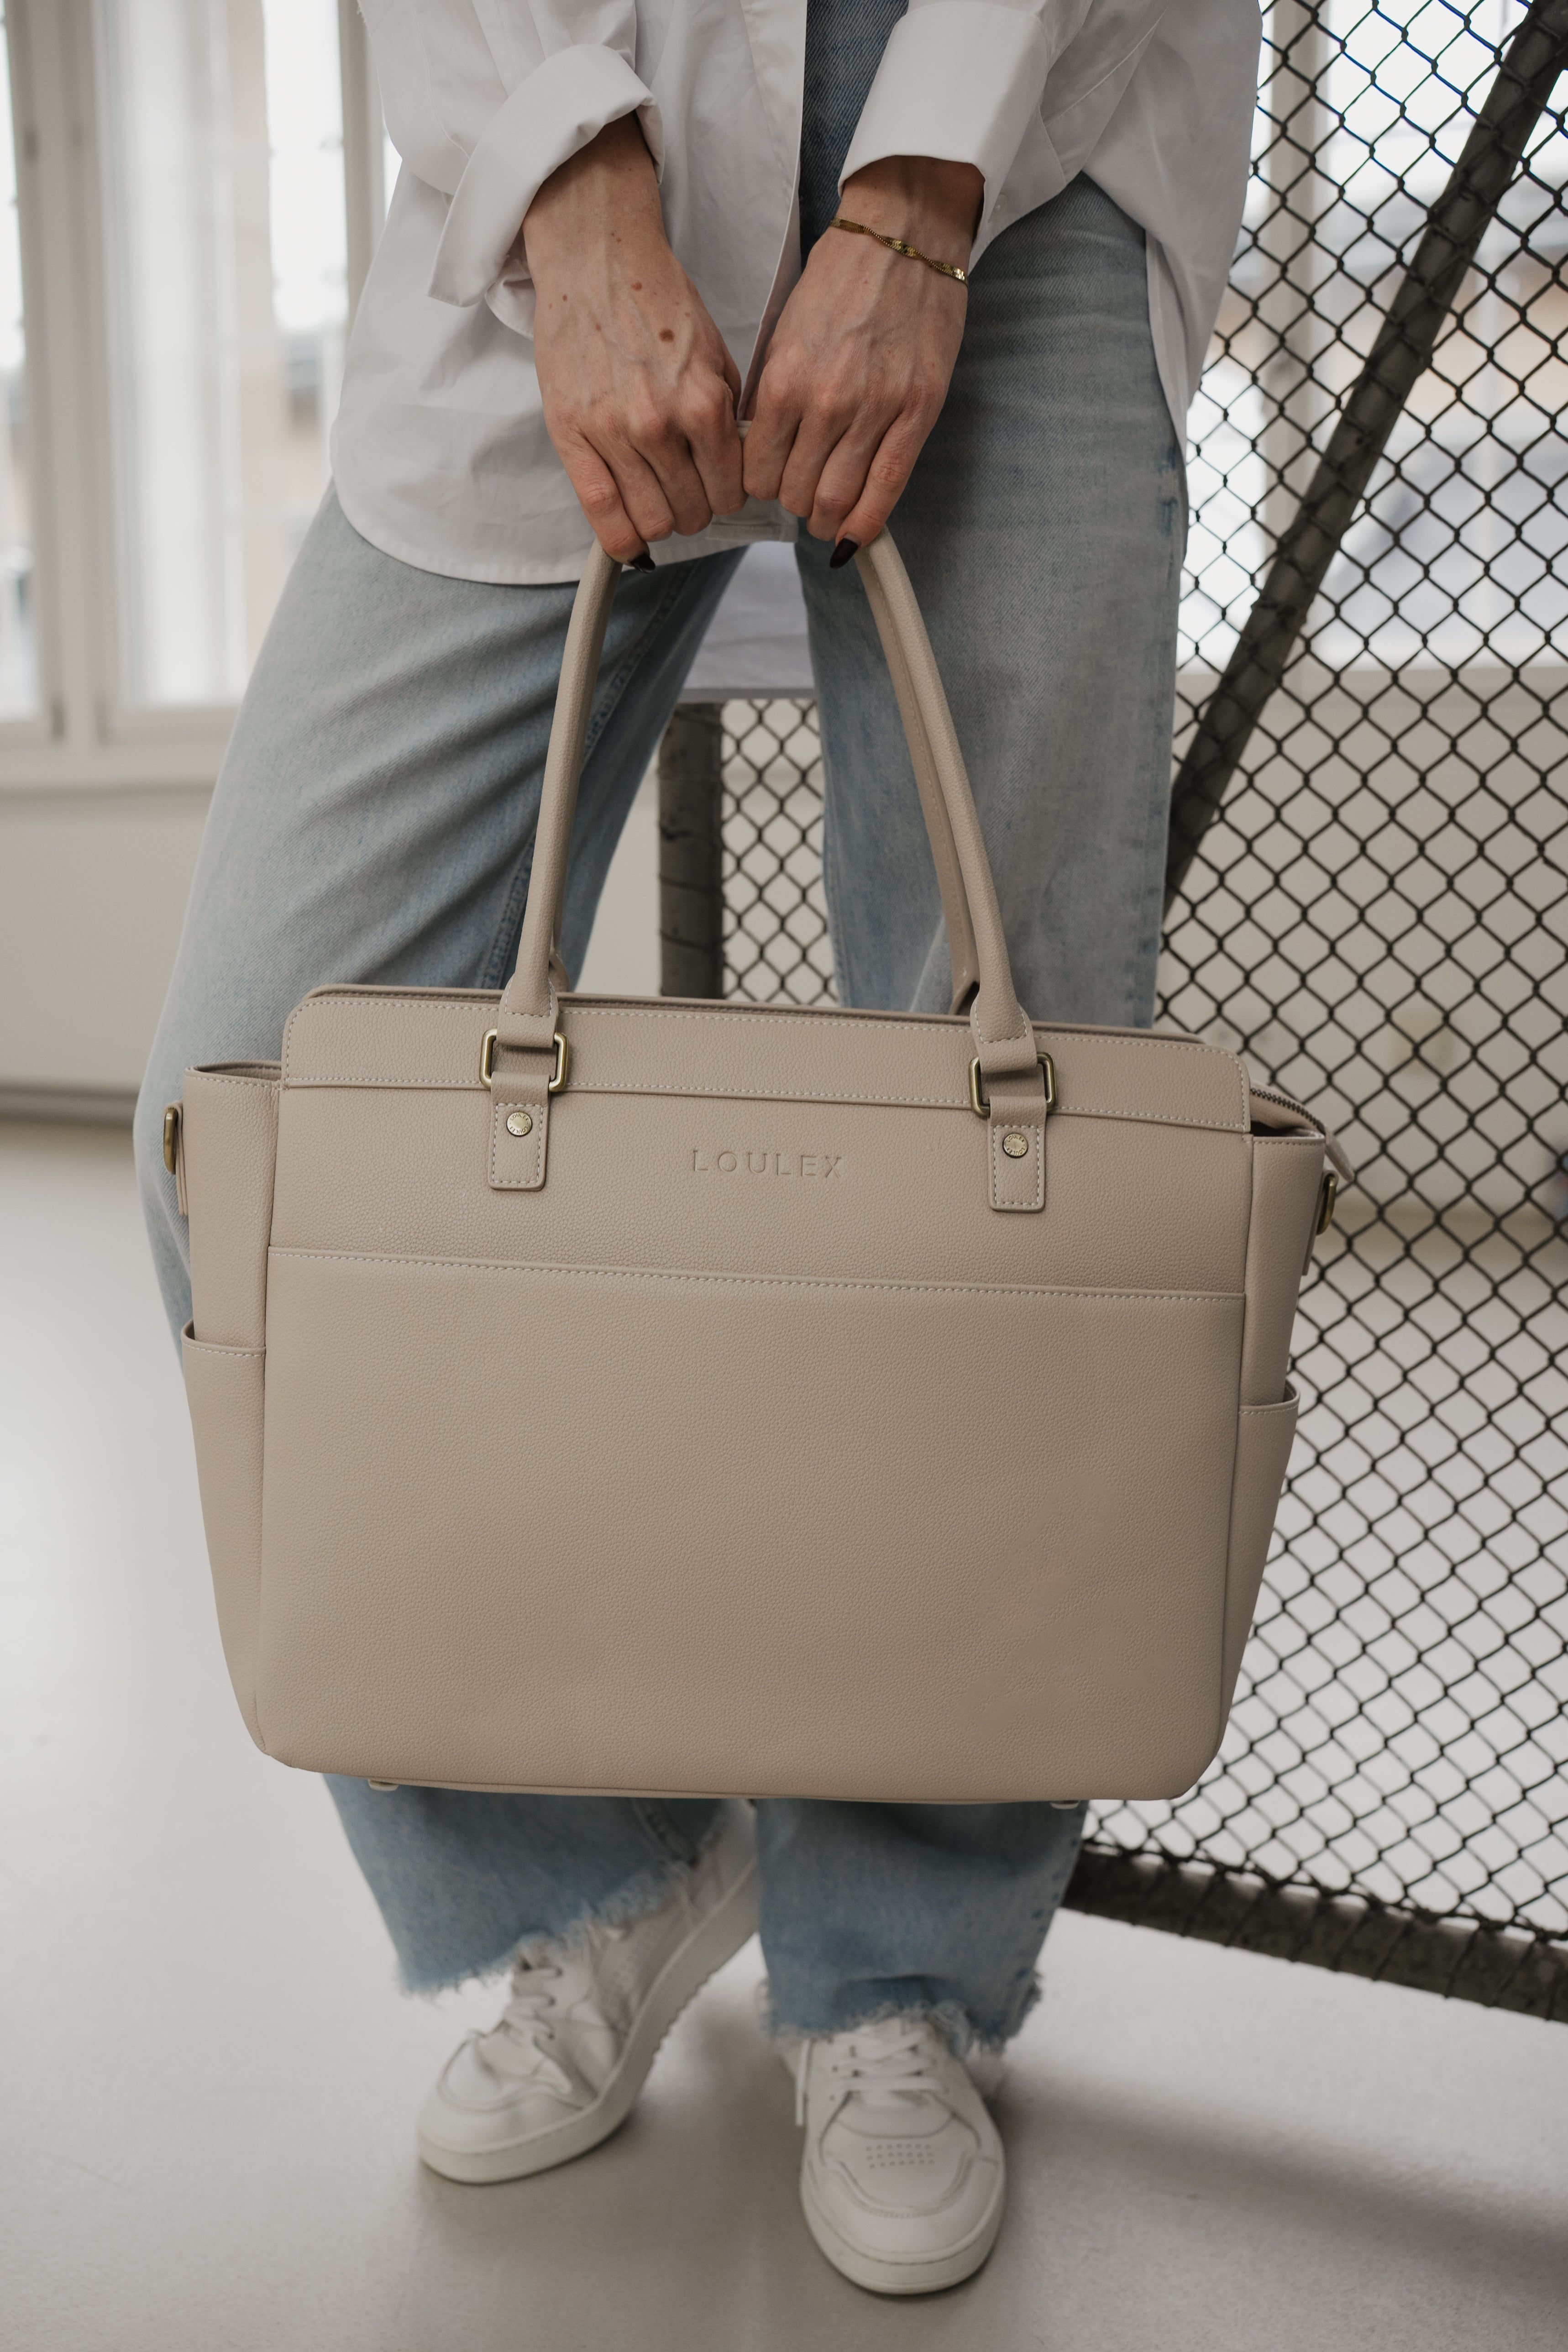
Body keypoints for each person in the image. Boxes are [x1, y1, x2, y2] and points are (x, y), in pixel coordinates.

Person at [136, 0, 1257, 2298]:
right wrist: (569, 168)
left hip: (1025, 135)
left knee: (987, 1178)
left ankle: (900, 1969)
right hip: (575, 74)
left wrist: (924, 180)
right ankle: (591, 1872)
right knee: (240, 1121)